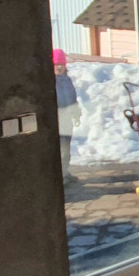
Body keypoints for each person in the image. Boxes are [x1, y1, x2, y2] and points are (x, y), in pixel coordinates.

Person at [53, 49, 80, 179]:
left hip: (66, 119)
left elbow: (72, 98)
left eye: (61, 64)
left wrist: (76, 114)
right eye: (56, 64)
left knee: (66, 148)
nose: (59, 67)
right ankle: (59, 176)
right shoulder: (49, 82)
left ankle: (65, 172)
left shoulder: (67, 80)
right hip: (56, 120)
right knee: (58, 149)